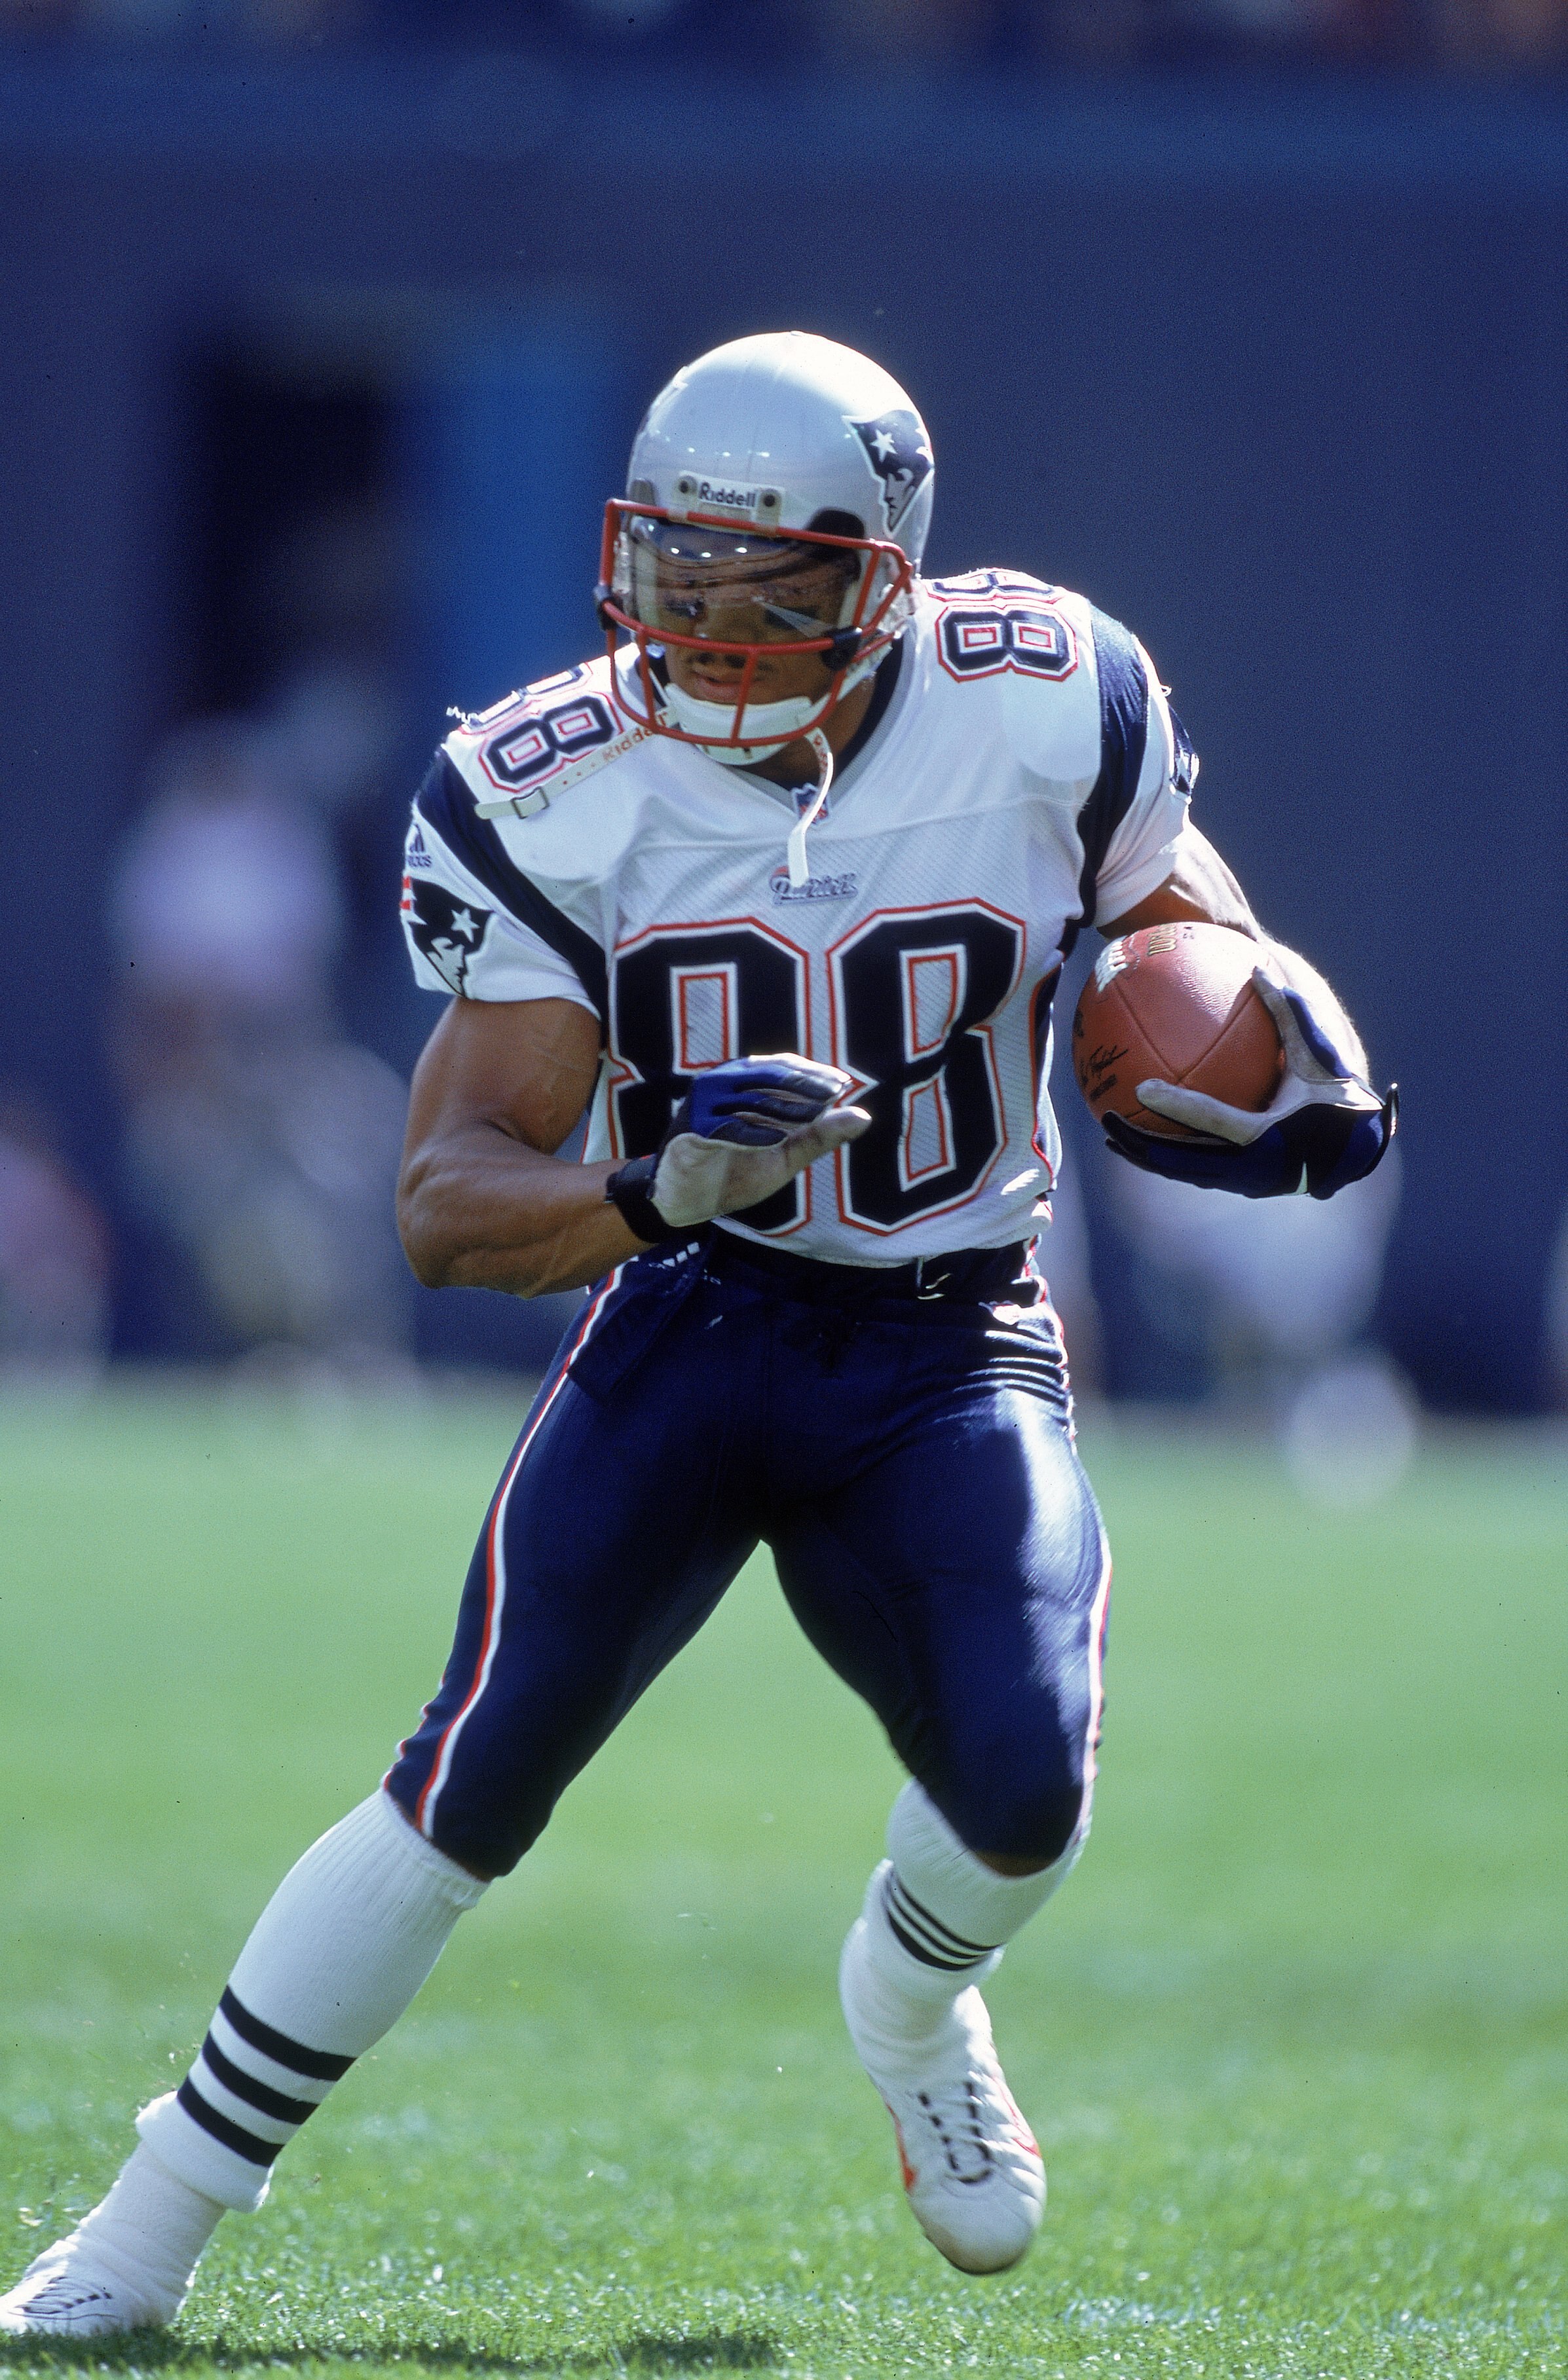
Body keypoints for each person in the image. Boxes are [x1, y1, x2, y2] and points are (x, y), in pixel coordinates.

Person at [3, 331, 1395, 2335]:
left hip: (947, 1336)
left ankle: (908, 1995)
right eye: (681, 579)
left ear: (891, 572)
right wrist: (660, 1189)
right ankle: (147, 2218)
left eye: (779, 589)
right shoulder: (554, 787)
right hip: (693, 1322)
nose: (718, 638)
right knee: (465, 1777)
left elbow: (1177, 912)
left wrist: (1265, 1027)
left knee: (1025, 1785)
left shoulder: (1044, 696)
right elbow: (441, 1199)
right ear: (623, 558)